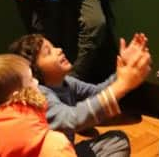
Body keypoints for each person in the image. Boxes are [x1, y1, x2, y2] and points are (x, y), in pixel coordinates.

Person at [10, 32, 151, 157]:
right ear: (34, 71)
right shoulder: (39, 95)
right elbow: (72, 118)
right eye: (48, 52)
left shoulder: (66, 82)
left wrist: (123, 71)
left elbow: (97, 92)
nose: (59, 50)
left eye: (54, 46)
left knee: (117, 142)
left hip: (66, 151)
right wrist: (122, 85)